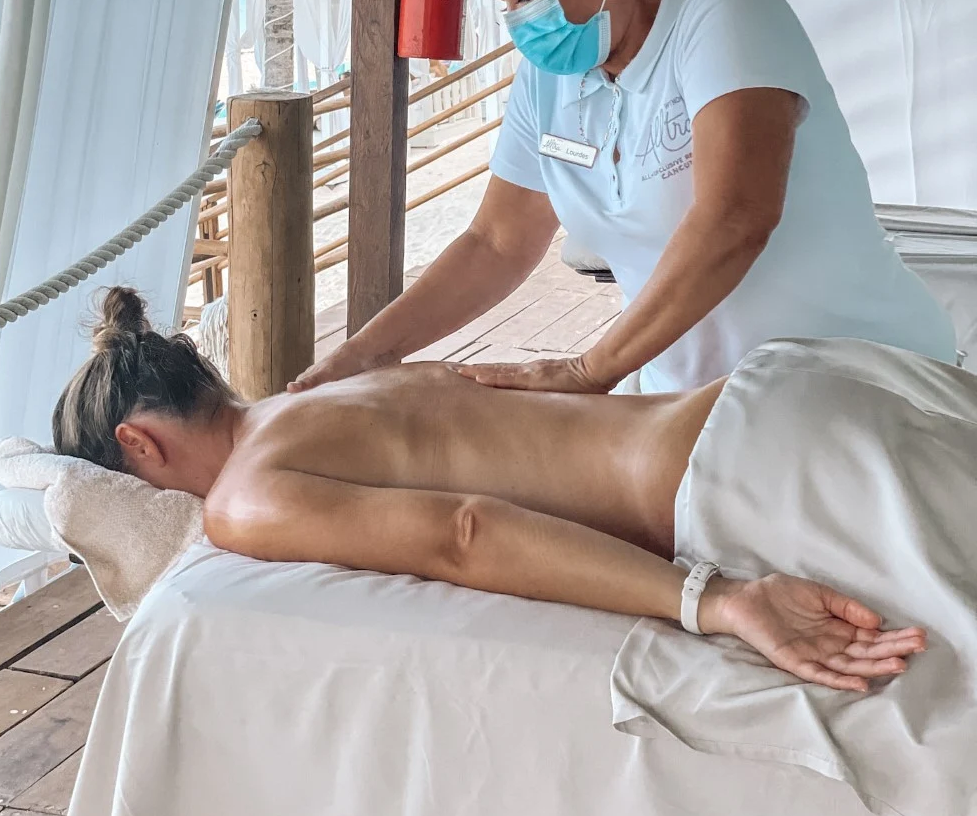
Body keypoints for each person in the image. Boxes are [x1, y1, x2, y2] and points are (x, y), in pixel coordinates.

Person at [291, 0, 954, 397]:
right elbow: (497, 243)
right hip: (690, 405)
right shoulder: (549, 78)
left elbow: (736, 215)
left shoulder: (726, 16)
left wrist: (591, 370)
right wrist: (359, 357)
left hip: (860, 385)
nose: (520, 21)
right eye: (505, 3)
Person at [53, 288, 926, 692]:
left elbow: (464, 533)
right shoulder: (322, 399)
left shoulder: (244, 499)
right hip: (776, 392)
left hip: (744, 474)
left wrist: (717, 600)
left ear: (139, 444)